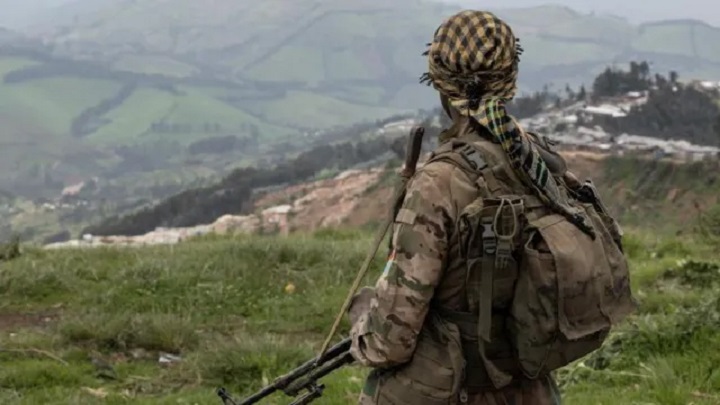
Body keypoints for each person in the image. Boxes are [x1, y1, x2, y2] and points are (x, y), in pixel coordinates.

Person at [346, 9, 636, 405]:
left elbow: (390, 343)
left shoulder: (438, 183)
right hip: (532, 388)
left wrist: (362, 321)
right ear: (509, 80)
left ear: (440, 84)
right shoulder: (538, 160)